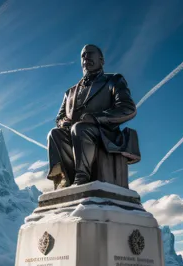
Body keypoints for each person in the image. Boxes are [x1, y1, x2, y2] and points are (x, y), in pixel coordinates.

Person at [47, 44, 141, 189]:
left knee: (79, 128)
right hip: (76, 133)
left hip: (104, 134)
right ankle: (66, 179)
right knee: (54, 133)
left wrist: (96, 118)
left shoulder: (113, 80)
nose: (86, 57)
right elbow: (59, 118)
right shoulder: (70, 92)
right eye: (83, 55)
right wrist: (63, 123)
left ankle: (82, 177)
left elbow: (128, 108)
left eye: (90, 54)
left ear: (101, 60)